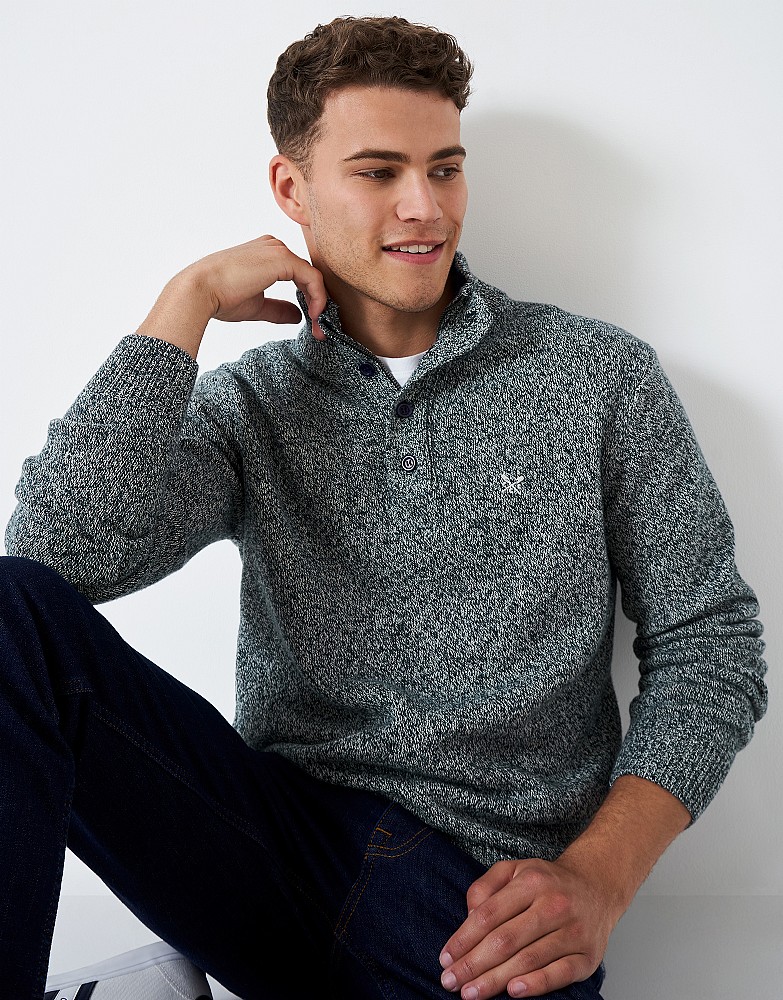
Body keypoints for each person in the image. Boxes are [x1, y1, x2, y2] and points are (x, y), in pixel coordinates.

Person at [0, 14, 768, 1000]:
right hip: (270, 848)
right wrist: (181, 305)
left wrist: (597, 878)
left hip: (475, 900)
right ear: (292, 189)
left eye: (445, 169)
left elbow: (710, 645)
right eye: (378, 172)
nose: (424, 207)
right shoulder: (250, 405)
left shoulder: (597, 377)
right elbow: (51, 560)